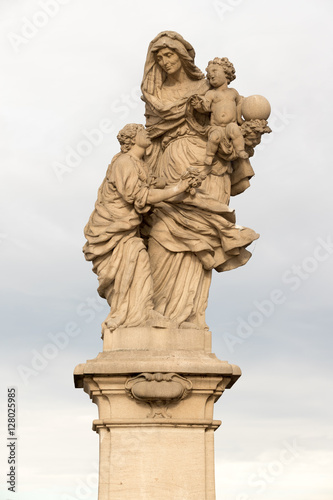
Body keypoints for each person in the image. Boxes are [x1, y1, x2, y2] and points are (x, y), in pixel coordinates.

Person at [141, 31, 259, 330]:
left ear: (183, 56)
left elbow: (233, 124)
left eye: (169, 55)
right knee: (162, 237)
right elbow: (152, 140)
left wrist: (250, 135)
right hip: (168, 167)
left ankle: (188, 318)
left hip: (207, 170)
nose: (165, 62)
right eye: (159, 58)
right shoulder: (156, 96)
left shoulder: (209, 86)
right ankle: (155, 314)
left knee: (200, 242)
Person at [83, 123, 197, 333]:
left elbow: (153, 184)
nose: (147, 133)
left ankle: (140, 313)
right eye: (142, 131)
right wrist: (178, 188)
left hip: (126, 230)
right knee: (134, 263)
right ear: (133, 139)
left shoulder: (140, 164)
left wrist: (183, 181)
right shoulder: (124, 163)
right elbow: (139, 196)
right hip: (111, 230)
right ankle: (124, 315)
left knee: (139, 264)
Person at [191, 57, 248, 166]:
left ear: (226, 73)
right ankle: (209, 156)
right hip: (216, 126)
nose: (211, 75)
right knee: (214, 137)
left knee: (235, 131)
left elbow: (240, 103)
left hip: (230, 124)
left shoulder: (233, 92)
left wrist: (240, 119)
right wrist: (199, 106)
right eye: (209, 73)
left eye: (214, 71)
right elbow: (206, 107)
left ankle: (240, 150)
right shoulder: (211, 93)